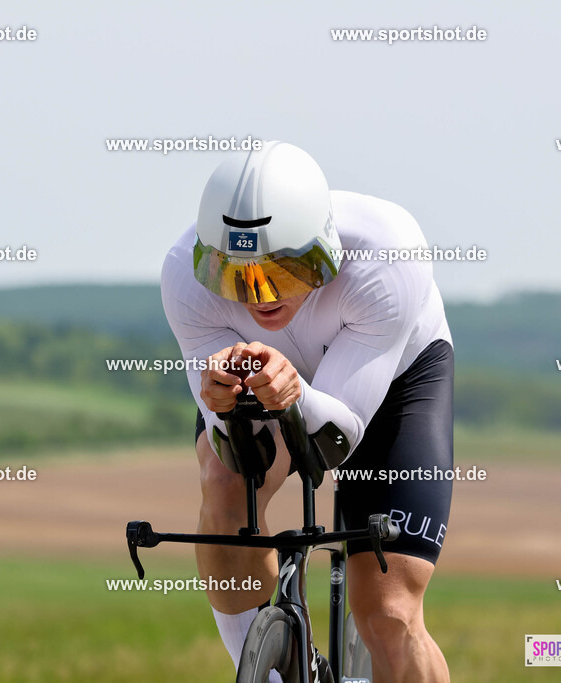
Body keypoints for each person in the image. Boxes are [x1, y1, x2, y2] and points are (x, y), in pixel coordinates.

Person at [160, 141, 453, 683]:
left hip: (393, 380)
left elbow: (332, 440)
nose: (261, 298)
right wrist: (222, 407)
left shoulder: (387, 258)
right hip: (270, 381)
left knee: (388, 611)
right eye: (237, 278)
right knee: (225, 481)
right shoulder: (185, 276)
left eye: (283, 273)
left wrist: (295, 391)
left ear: (324, 250)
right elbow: (242, 451)